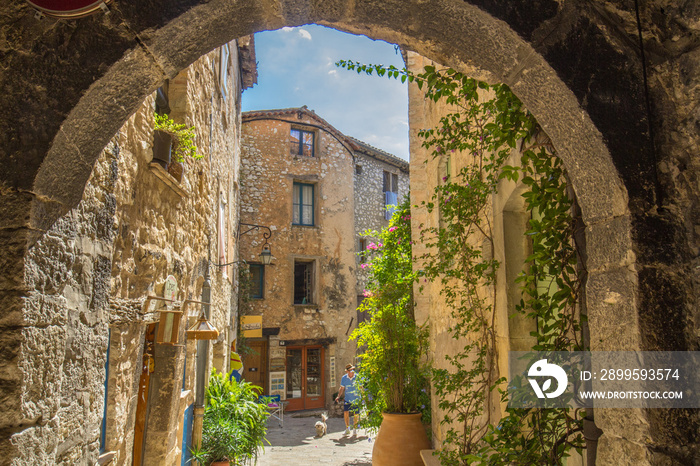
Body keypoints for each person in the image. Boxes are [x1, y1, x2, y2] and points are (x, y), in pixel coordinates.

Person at [335, 363, 359, 435]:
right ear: (347, 371)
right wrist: (338, 396)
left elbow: (361, 387)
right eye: (350, 370)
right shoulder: (344, 378)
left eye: (353, 370)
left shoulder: (357, 377)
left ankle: (355, 429)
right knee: (346, 412)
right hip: (347, 398)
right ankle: (347, 428)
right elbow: (342, 388)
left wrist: (364, 397)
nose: (352, 371)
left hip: (356, 398)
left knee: (356, 414)